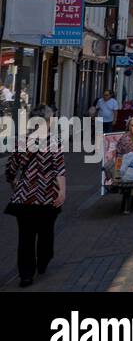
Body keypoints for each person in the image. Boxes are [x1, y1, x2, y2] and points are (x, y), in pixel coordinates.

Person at [5, 106, 67, 287]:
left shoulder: (21, 142)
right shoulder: (53, 142)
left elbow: (10, 169)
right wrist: (62, 191)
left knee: (25, 237)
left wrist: (14, 184)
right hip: (47, 195)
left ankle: (26, 274)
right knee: (46, 233)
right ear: (47, 121)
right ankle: (43, 262)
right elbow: (59, 169)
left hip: (24, 197)